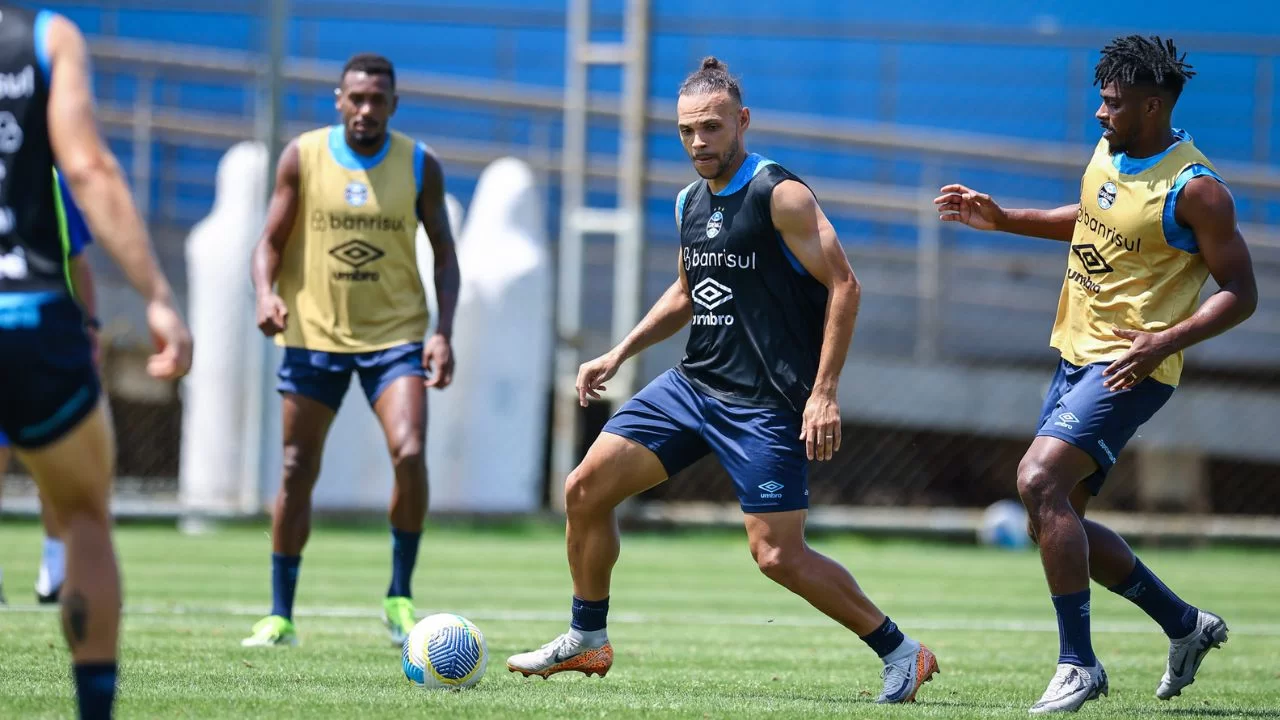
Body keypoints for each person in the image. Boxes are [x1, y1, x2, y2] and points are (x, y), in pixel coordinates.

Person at [507, 57, 939, 704]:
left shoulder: (779, 195)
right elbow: (688, 292)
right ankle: (587, 637)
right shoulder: (689, 201)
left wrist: (823, 392)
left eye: (710, 128)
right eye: (686, 131)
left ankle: (903, 652)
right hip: (693, 386)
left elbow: (846, 285)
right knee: (585, 490)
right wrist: (618, 353)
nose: (698, 143)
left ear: (741, 121)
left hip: (767, 404)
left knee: (776, 557)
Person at [935, 35, 1256, 714]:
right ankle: (1184, 624)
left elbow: (1240, 292)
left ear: (1151, 104)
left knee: (1037, 479)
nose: (1099, 114)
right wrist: (1003, 220)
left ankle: (1078, 664)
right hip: (1074, 354)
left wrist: (1164, 339)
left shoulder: (1197, 191)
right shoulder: (1111, 149)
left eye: (1112, 103)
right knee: (1054, 521)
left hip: (1131, 366)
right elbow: (1092, 220)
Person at [0, 6, 193, 718]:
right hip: (28, 316)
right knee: (85, 515)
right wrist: (158, 296)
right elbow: (86, 164)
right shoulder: (46, 38)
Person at [244, 52, 461, 648]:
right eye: (356, 98)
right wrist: (265, 293)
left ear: (394, 104)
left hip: (395, 337)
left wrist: (442, 331)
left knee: (411, 451)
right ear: (339, 100)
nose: (366, 109)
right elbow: (268, 241)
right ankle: (280, 613)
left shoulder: (419, 165)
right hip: (313, 336)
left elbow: (444, 252)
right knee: (295, 467)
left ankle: (398, 597)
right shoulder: (303, 157)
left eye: (378, 100)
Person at [0, 169, 100, 606]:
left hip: (44, 331)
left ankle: (55, 570)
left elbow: (77, 259)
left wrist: (91, 325)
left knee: (56, 464)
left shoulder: (49, 179)